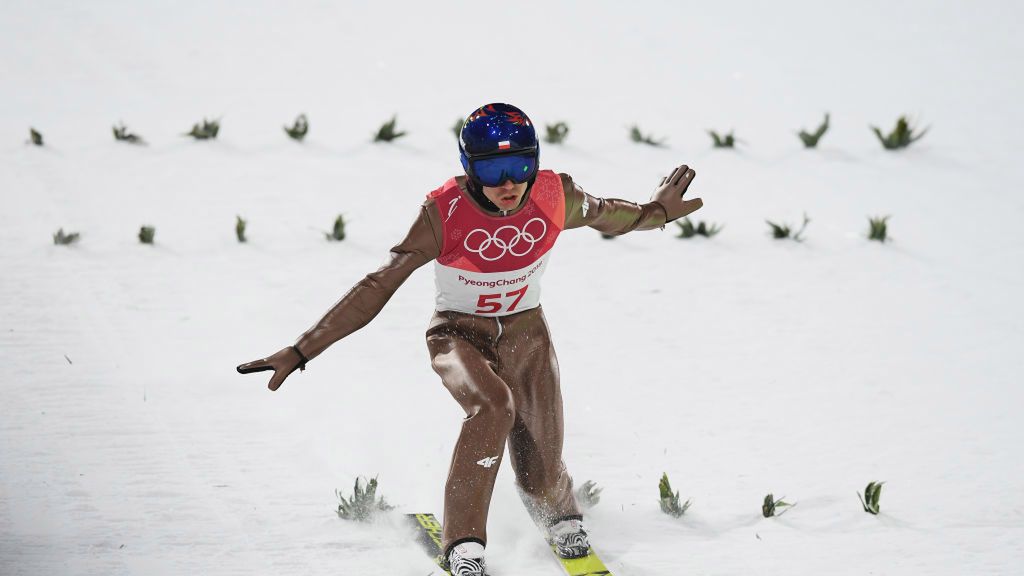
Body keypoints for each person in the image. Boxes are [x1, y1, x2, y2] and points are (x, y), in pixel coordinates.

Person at [237, 103, 702, 576]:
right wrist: (302, 349)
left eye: (519, 166)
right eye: (491, 170)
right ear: (468, 168)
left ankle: (559, 517)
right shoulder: (444, 214)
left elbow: (608, 216)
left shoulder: (554, 195)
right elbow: (379, 283)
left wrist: (657, 211)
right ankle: (464, 543)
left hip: (527, 333)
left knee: (541, 461)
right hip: (457, 335)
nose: (508, 184)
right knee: (493, 406)